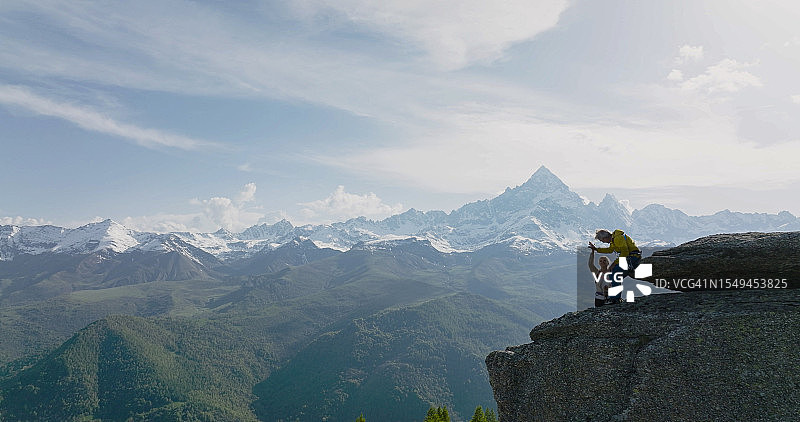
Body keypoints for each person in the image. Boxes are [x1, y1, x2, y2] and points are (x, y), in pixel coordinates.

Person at [589, 229, 642, 302]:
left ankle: (615, 299)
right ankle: (614, 297)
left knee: (615, 275)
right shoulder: (614, 240)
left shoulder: (618, 238)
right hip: (630, 258)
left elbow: (625, 253)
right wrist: (596, 249)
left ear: (604, 238)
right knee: (613, 275)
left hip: (633, 258)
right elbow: (610, 250)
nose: (603, 242)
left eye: (602, 240)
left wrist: (614, 264)